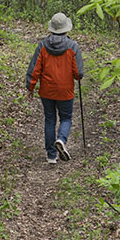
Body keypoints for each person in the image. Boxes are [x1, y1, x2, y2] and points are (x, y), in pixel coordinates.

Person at [26, 12, 84, 164]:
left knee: (50, 119)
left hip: (47, 91)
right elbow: (78, 73)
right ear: (66, 28)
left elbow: (35, 69)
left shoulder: (43, 46)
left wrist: (30, 87)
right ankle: (61, 140)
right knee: (66, 118)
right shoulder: (73, 47)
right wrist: (77, 76)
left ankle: (51, 156)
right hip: (65, 91)